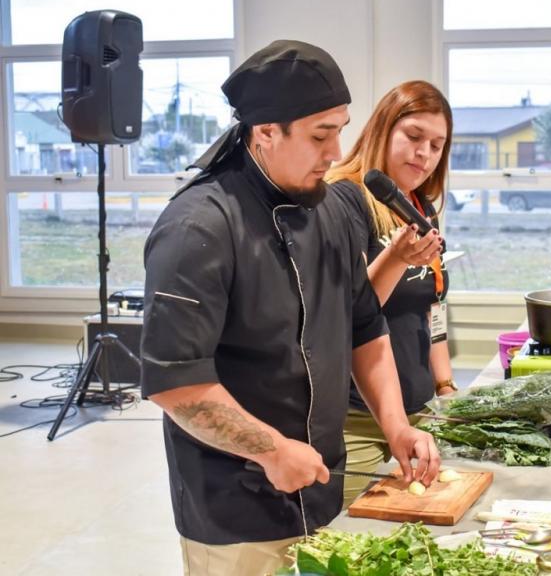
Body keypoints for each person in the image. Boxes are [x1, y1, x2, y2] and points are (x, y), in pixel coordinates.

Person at [140, 41, 440, 576]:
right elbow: (175, 383)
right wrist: (273, 449)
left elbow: (364, 327)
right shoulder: (198, 227)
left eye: (341, 129)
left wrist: (395, 427)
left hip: (324, 489)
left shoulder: (328, 212)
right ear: (264, 132)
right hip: (233, 508)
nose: (335, 151)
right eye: (321, 135)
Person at [326, 80, 456, 506]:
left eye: (437, 145)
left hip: (417, 412)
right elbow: (350, 316)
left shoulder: (420, 206)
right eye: (414, 137)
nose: (425, 153)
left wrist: (445, 386)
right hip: (356, 419)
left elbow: (431, 305)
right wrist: (397, 257)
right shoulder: (344, 200)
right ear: (383, 129)